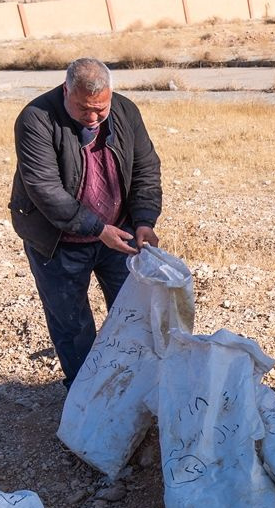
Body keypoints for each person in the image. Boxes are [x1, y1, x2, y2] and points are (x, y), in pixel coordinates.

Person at [9, 57, 162, 388]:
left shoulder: (125, 111)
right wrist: (98, 229)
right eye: (83, 110)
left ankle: (132, 388)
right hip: (58, 242)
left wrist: (145, 220)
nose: (93, 117)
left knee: (132, 314)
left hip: (117, 236)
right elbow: (44, 189)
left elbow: (145, 169)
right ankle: (85, 396)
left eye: (100, 109)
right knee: (72, 324)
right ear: (66, 91)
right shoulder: (36, 119)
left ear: (110, 95)